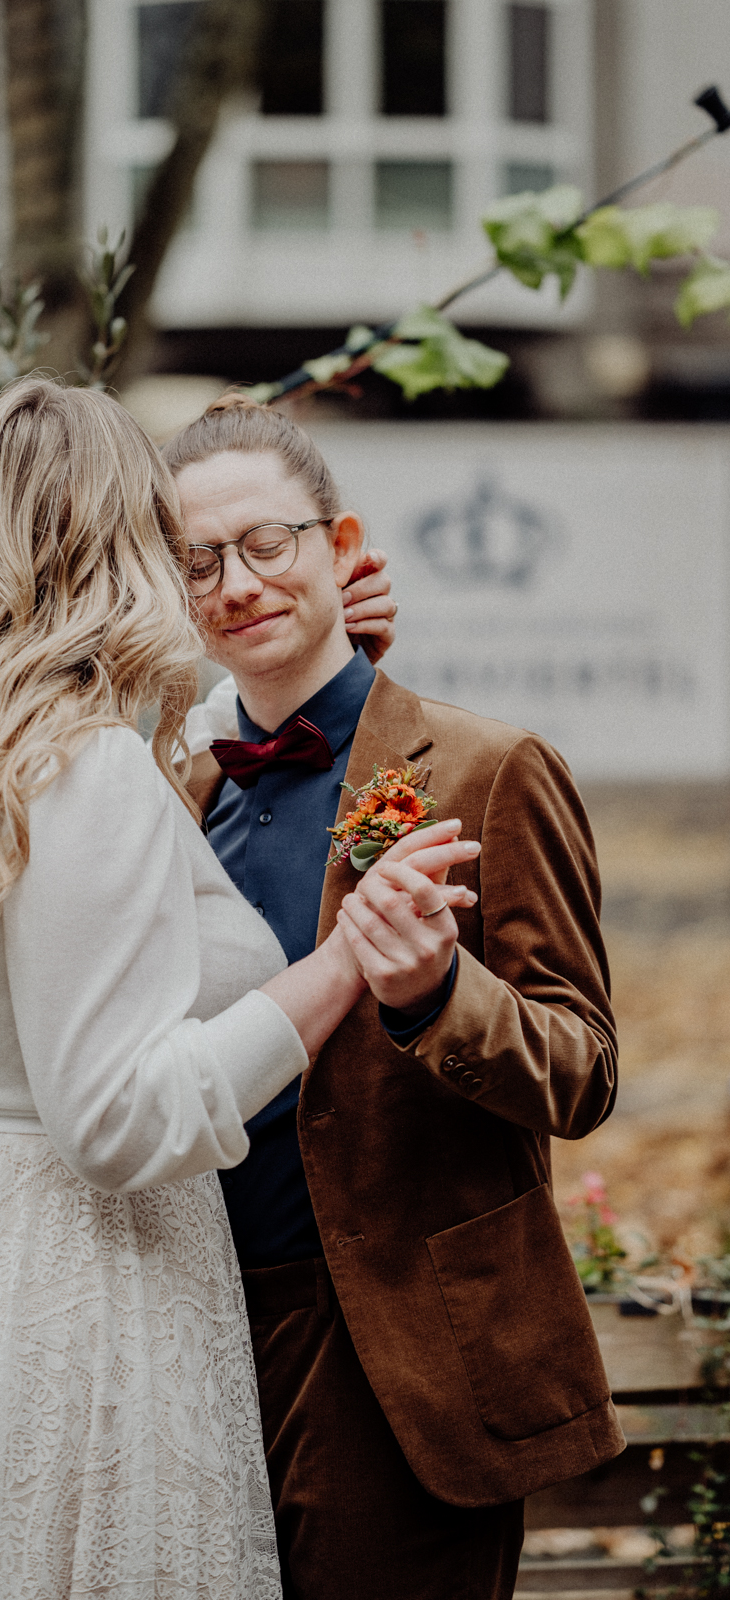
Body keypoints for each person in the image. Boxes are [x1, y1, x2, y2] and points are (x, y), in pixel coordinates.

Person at [0, 378, 436, 1600]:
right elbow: (116, 1120)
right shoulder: (91, 770)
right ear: (125, 546)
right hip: (71, 1298)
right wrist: (342, 964)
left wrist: (329, 655)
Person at [164, 394, 626, 1600]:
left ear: (342, 545)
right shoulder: (177, 792)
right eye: (199, 560)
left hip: (406, 1354)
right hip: (195, 1341)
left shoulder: (489, 770)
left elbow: (582, 1067)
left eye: (267, 543)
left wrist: (436, 997)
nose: (237, 583)